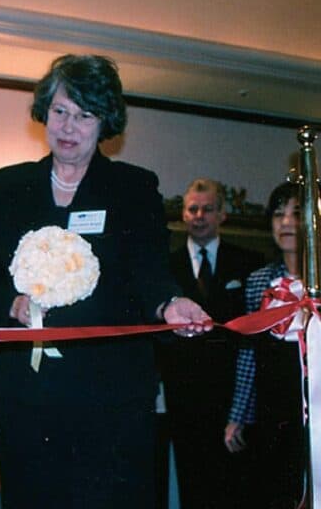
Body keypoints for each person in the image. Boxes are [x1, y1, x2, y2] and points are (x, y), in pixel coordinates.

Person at [0, 54, 210, 509]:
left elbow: (150, 273)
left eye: (84, 115)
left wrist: (170, 303)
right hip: (28, 400)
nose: (69, 127)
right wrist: (11, 304)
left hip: (112, 400)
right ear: (44, 113)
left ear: (104, 122)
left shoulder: (133, 188)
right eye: (59, 111)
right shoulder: (9, 186)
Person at [158, 178, 262, 508]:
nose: (200, 215)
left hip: (234, 395)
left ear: (222, 215)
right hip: (183, 395)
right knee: (192, 483)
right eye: (193, 209)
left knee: (237, 485)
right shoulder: (165, 268)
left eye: (208, 209)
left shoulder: (248, 262)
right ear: (183, 216)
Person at [229, 182, 304, 509]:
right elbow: (248, 355)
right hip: (272, 409)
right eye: (278, 214)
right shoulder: (259, 281)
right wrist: (237, 415)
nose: (286, 222)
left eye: (297, 214)